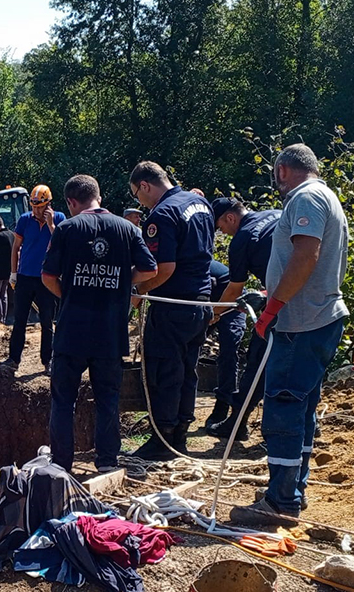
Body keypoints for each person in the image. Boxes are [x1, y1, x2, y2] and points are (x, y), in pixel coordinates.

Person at [229, 144, 349, 527]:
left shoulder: (306, 198)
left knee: (282, 406)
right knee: (303, 407)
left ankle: (281, 502)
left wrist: (273, 307)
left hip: (300, 322)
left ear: (282, 170)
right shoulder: (324, 195)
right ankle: (293, 489)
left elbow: (305, 257)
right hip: (316, 316)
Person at [43, 175, 157, 472]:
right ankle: (107, 462)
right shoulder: (128, 228)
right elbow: (149, 269)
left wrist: (68, 293)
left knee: (63, 400)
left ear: (71, 202)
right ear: (99, 197)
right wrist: (121, 281)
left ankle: (61, 465)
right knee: (108, 398)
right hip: (110, 330)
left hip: (72, 330)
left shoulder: (67, 228)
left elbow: (47, 276)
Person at [127, 162, 215, 459]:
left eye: (137, 195)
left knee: (164, 371)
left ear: (145, 186)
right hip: (201, 302)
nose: (140, 202)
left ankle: (162, 439)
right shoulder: (199, 202)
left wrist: (137, 292)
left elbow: (163, 269)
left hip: (172, 305)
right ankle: (180, 435)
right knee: (187, 371)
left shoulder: (162, 215)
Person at [205, 197, 282, 441]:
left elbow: (233, 290)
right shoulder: (275, 212)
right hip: (306, 295)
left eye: (221, 227)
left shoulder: (242, 238)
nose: (223, 233)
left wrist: (214, 314)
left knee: (257, 360)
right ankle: (307, 426)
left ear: (230, 217)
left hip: (282, 302)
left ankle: (237, 424)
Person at [5, 184, 66, 371]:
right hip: (25, 277)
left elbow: (62, 244)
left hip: (47, 278)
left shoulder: (60, 219)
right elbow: (16, 247)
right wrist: (13, 273)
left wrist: (51, 225)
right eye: (34, 206)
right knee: (20, 320)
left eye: (40, 206)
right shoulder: (25, 220)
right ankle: (13, 359)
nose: (36, 210)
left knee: (47, 321)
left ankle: (47, 360)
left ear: (48, 205)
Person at [204, 259, 245, 433]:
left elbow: (234, 290)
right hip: (205, 303)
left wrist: (216, 312)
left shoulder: (207, 267)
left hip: (231, 302)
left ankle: (222, 405)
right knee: (189, 347)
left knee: (229, 351)